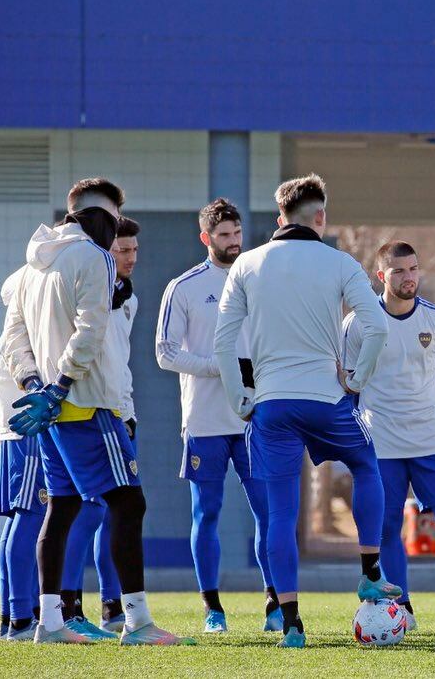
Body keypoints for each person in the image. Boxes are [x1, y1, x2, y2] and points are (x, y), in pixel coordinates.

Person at [0, 177, 192, 645]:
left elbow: (12, 341)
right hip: (86, 405)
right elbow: (90, 330)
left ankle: (49, 623)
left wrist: (36, 387)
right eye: (115, 219)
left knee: (62, 507)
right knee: (128, 502)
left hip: (49, 413)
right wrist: (61, 386)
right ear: (101, 217)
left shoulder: (30, 269)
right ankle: (136, 621)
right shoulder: (94, 257)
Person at [214, 173, 399, 649]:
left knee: (280, 513)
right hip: (327, 399)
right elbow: (377, 328)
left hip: (271, 405)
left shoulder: (247, 263)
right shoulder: (340, 263)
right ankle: (370, 573)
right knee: (366, 463)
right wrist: (356, 379)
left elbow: (223, 342)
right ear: (321, 216)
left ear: (281, 217)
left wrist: (240, 398)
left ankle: (291, 624)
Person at [342, 240, 435, 634]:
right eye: (399, 271)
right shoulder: (357, 323)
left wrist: (420, 415)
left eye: (413, 269)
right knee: (388, 528)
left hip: (432, 442)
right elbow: (350, 387)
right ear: (381, 276)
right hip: (381, 445)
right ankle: (402, 608)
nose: (408, 277)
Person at [156, 198, 278, 633]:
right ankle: (213, 609)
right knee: (207, 513)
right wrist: (220, 368)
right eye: (224, 235)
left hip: (253, 420)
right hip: (205, 421)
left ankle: (275, 604)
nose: (233, 241)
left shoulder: (261, 280)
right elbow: (165, 352)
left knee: (268, 513)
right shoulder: (183, 286)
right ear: (206, 237)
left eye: (237, 233)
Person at [60, 217, 141, 639]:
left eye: (134, 249)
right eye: (122, 249)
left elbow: (118, 361)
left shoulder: (129, 298)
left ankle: (112, 607)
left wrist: (127, 411)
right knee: (89, 508)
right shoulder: (87, 291)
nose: (130, 257)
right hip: (89, 410)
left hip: (120, 412)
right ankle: (66, 607)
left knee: (115, 512)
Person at [0, 267, 44, 641]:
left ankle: (12, 617)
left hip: (15, 428)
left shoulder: (18, 327)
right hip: (28, 427)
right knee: (30, 517)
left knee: (17, 521)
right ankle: (22, 619)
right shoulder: (25, 328)